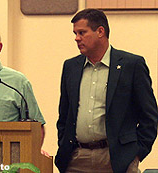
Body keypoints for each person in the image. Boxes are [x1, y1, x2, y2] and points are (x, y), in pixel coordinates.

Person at [55, 9, 158, 173]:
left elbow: (149, 116)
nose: (76, 38)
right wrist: (63, 143)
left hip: (117, 160)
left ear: (100, 31)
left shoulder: (131, 65)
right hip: (77, 159)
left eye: (82, 32)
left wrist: (136, 154)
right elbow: (64, 114)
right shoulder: (70, 67)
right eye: (75, 33)